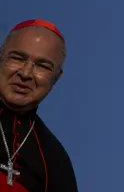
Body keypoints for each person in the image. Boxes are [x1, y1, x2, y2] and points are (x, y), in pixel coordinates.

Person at [0, 20, 78, 192]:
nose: (26, 73)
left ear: (56, 78)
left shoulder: (55, 160)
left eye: (42, 66)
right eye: (18, 58)